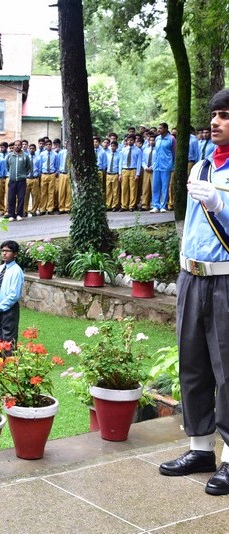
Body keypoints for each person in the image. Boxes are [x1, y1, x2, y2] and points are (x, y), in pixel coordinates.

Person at [159, 89, 229, 495]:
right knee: (194, 364)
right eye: (215, 114)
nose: (215, 122)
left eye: (226, 115)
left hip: (225, 279)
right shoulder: (202, 166)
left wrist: (221, 205)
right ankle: (200, 448)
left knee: (228, 370)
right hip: (193, 277)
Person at [0, 240, 24, 344]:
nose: (4, 253)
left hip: (8, 309)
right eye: (2, 251)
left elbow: (14, 295)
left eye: (7, 251)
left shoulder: (16, 271)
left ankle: (8, 355)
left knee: (8, 339)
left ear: (15, 254)